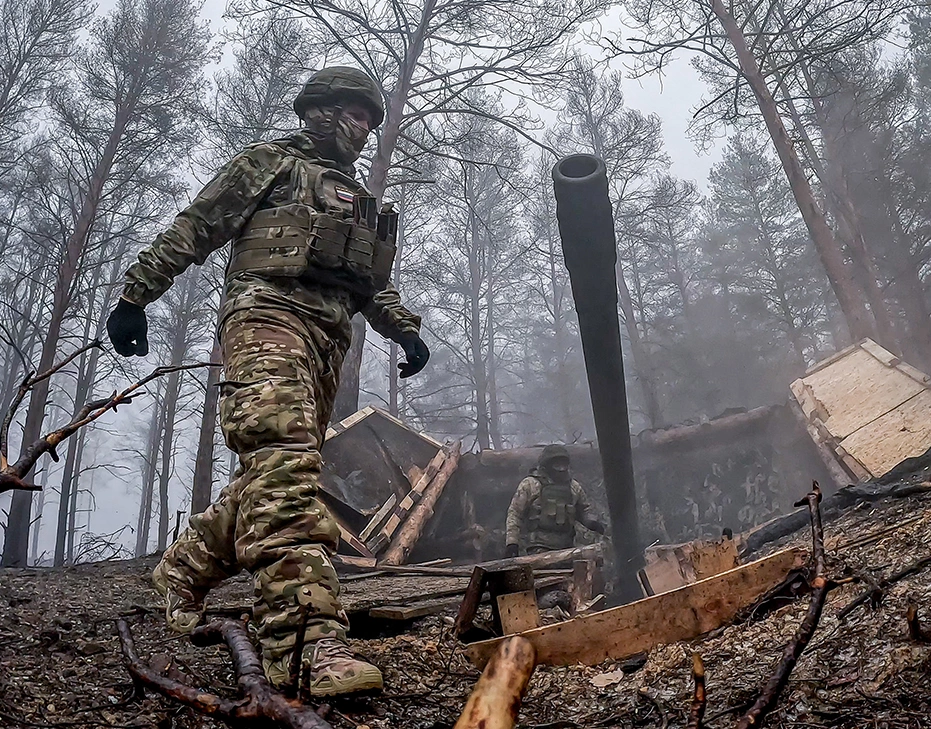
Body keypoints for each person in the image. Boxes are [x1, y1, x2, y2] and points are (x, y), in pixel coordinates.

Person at [105, 67, 429, 696]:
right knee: (283, 464)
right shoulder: (269, 165)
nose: (363, 129)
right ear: (323, 111)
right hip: (265, 317)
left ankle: (184, 566)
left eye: (370, 118)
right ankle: (305, 642)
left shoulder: (356, 198)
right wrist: (136, 295)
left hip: (327, 342)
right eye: (355, 114)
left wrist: (402, 328)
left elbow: (366, 282)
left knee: (276, 473)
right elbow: (198, 224)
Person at [504, 445, 605, 557]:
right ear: (546, 465)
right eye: (557, 465)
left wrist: (592, 523)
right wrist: (512, 543)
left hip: (567, 547)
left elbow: (584, 510)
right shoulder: (530, 485)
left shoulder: (573, 487)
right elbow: (515, 514)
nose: (561, 469)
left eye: (564, 464)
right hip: (538, 548)